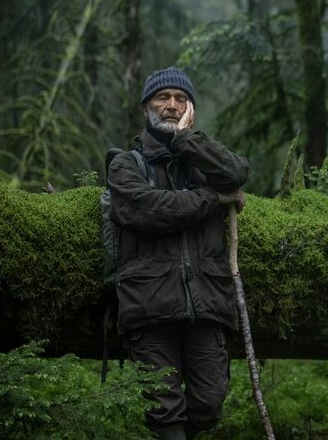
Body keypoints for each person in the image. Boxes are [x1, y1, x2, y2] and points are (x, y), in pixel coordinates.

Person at [108, 66, 249, 439]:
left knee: (210, 402)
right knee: (164, 409)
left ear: (191, 110)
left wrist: (187, 139)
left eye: (181, 99)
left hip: (207, 303)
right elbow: (148, 210)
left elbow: (236, 174)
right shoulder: (127, 164)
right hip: (149, 305)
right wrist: (213, 198)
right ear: (146, 107)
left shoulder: (202, 162)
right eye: (162, 98)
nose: (172, 105)